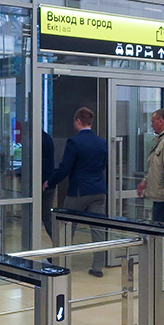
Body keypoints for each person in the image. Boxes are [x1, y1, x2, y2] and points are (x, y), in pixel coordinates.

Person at [42, 107, 108, 277]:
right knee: (98, 229)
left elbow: (65, 168)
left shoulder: (74, 142)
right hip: (99, 191)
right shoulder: (102, 142)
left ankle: (58, 260)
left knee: (65, 226)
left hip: (79, 191)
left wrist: (50, 182)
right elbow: (103, 165)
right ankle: (97, 267)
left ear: (78, 121)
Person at [40, 129, 56, 238]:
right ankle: (57, 242)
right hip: (49, 181)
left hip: (40, 182)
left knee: (32, 213)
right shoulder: (47, 137)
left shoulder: (36, 139)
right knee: (47, 215)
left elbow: (34, 161)